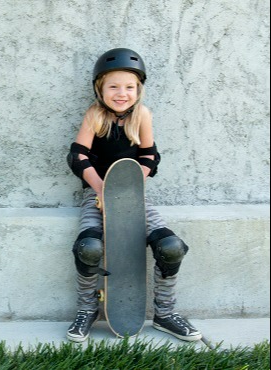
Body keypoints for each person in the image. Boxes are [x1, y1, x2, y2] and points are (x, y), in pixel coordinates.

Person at [66, 48, 202, 343]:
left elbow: (150, 157)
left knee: (171, 247)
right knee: (88, 248)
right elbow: (77, 157)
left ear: (138, 89)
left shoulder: (142, 115)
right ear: (100, 89)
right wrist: (103, 188)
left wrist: (128, 184)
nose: (121, 93)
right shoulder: (95, 115)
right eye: (113, 86)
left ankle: (165, 314)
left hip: (135, 198)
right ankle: (87, 310)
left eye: (129, 87)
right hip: (96, 195)